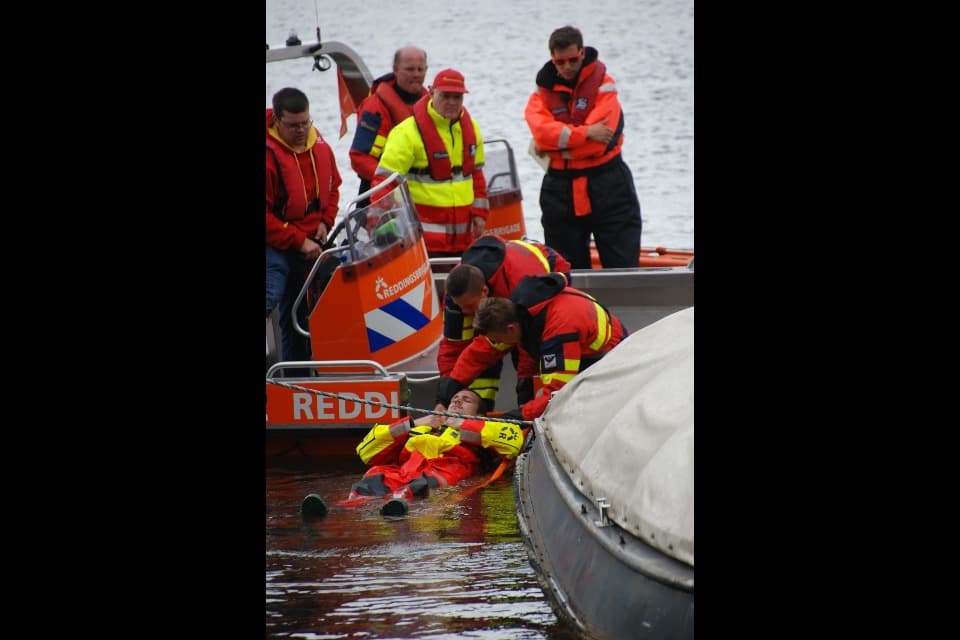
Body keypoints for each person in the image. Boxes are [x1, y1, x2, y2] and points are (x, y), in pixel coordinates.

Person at [524, 25, 643, 269]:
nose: (567, 67)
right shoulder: (541, 92)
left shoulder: (604, 86)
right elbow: (540, 131)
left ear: (582, 52)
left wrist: (557, 144)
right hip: (560, 190)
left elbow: (596, 147)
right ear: (552, 60)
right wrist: (586, 132)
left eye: (572, 60)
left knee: (622, 265)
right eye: (560, 62)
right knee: (566, 270)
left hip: (608, 184)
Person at [302, 388, 524, 517]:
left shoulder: (484, 425)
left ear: (480, 412)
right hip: (404, 469)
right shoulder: (421, 426)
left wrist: (464, 424)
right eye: (454, 399)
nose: (457, 401)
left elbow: (513, 443)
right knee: (375, 475)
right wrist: (412, 423)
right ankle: (334, 509)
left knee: (422, 486)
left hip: (445, 470)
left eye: (467, 400)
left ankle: (401, 504)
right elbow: (364, 451)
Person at [435, 235, 571, 412]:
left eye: (468, 306)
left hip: (546, 273)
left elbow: (524, 348)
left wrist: (524, 398)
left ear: (484, 291)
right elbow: (452, 348)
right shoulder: (458, 291)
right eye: (461, 307)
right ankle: (478, 413)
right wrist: (445, 398)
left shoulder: (520, 286)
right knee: (481, 346)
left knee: (529, 350)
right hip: (500, 288)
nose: (464, 313)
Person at [470, 273, 629, 421]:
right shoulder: (524, 310)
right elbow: (528, 345)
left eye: (497, 340)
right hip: (590, 347)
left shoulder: (559, 330)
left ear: (511, 328)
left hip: (613, 358)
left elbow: (558, 394)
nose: (499, 345)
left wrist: (519, 416)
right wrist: (524, 383)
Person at [371, 68, 489, 257]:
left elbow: (476, 176)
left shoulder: (472, 129)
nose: (451, 102)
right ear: (431, 92)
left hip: (464, 241)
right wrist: (376, 227)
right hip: (423, 243)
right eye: (445, 96)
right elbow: (384, 184)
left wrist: (480, 214)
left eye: (457, 97)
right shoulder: (406, 133)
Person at [266, 87, 342, 365]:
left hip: (315, 240)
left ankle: (327, 367)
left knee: (327, 308)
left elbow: (334, 187)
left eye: (305, 123)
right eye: (293, 125)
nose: (301, 131)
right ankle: (290, 380)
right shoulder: (269, 156)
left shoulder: (317, 144)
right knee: (285, 313)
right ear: (277, 120)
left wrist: (326, 221)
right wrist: (299, 240)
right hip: (281, 244)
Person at [349, 46, 429, 205]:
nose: (416, 75)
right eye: (410, 69)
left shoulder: (431, 104)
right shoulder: (375, 108)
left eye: (420, 69)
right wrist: (391, 183)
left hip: (423, 193)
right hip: (381, 194)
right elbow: (359, 158)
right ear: (396, 69)